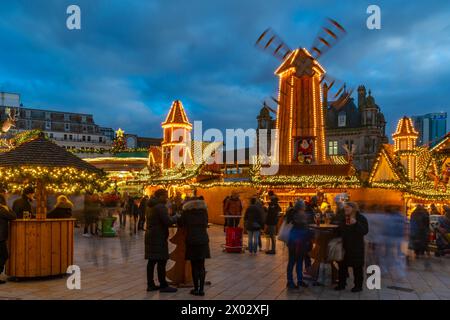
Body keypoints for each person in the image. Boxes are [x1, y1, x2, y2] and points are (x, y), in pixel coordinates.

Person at [145, 189, 178, 293]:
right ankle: (163, 285)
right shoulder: (160, 207)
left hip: (151, 235)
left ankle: (151, 285)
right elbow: (167, 221)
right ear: (159, 196)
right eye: (165, 196)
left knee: (152, 261)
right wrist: (176, 217)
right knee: (161, 261)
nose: (166, 198)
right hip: (158, 236)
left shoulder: (150, 206)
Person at [178, 196, 210, 296]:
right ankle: (201, 290)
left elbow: (181, 224)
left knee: (194, 265)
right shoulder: (204, 212)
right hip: (203, 240)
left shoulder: (186, 212)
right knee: (202, 265)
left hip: (192, 240)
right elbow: (205, 224)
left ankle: (196, 289)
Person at [335, 201, 369, 293]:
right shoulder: (343, 217)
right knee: (342, 266)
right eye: (345, 208)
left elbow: (365, 231)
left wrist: (356, 223)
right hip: (344, 246)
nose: (345, 209)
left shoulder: (361, 218)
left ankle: (358, 286)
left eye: (348, 208)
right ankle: (341, 284)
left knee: (357, 267)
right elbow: (339, 230)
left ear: (353, 209)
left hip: (356, 247)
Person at [285, 200, 313, 289]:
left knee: (297, 261)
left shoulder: (294, 214)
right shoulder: (299, 215)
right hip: (297, 242)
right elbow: (304, 228)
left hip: (296, 242)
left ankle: (298, 280)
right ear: (301, 207)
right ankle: (291, 281)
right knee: (294, 261)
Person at [0, 195, 16, 284]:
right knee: (4, 255)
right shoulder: (2, 210)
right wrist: (7, 208)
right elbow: (13, 216)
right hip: (0, 237)